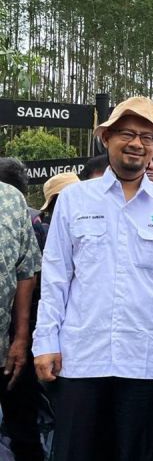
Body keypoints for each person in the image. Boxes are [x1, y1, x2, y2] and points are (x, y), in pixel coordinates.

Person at [32, 96, 153, 461]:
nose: (136, 143)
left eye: (146, 137)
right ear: (106, 139)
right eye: (126, 133)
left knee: (136, 452)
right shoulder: (75, 199)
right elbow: (56, 277)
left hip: (145, 357)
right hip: (80, 356)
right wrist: (45, 341)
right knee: (76, 451)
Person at [0, 180, 44, 460]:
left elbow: (26, 270)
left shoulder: (11, 198)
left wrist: (21, 337)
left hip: (3, 347)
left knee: (18, 432)